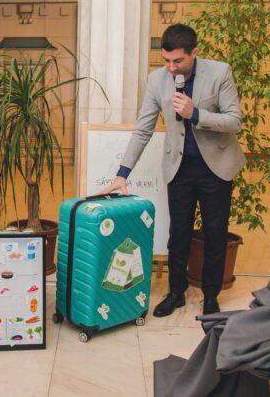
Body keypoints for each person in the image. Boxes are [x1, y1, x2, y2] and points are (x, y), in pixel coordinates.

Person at [102, 24, 245, 317]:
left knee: (215, 234)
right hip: (179, 169)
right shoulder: (157, 80)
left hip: (215, 168)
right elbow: (143, 129)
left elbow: (234, 121)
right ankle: (176, 293)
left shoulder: (220, 72)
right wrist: (122, 174)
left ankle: (210, 297)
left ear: (194, 53)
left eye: (178, 60)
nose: (171, 67)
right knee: (177, 233)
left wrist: (196, 114)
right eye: (166, 60)